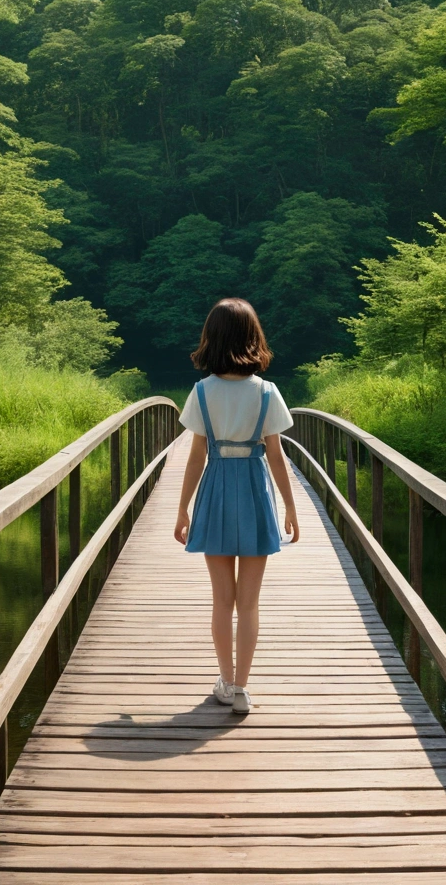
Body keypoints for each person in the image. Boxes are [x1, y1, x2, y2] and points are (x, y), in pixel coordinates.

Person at [174, 297, 300, 714]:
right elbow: (277, 455)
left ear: (211, 338)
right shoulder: (266, 392)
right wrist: (291, 508)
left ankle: (225, 682)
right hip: (254, 490)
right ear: (252, 337)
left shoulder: (201, 392)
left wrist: (182, 509)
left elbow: (195, 457)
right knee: (249, 603)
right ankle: (243, 690)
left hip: (214, 492)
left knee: (221, 600)